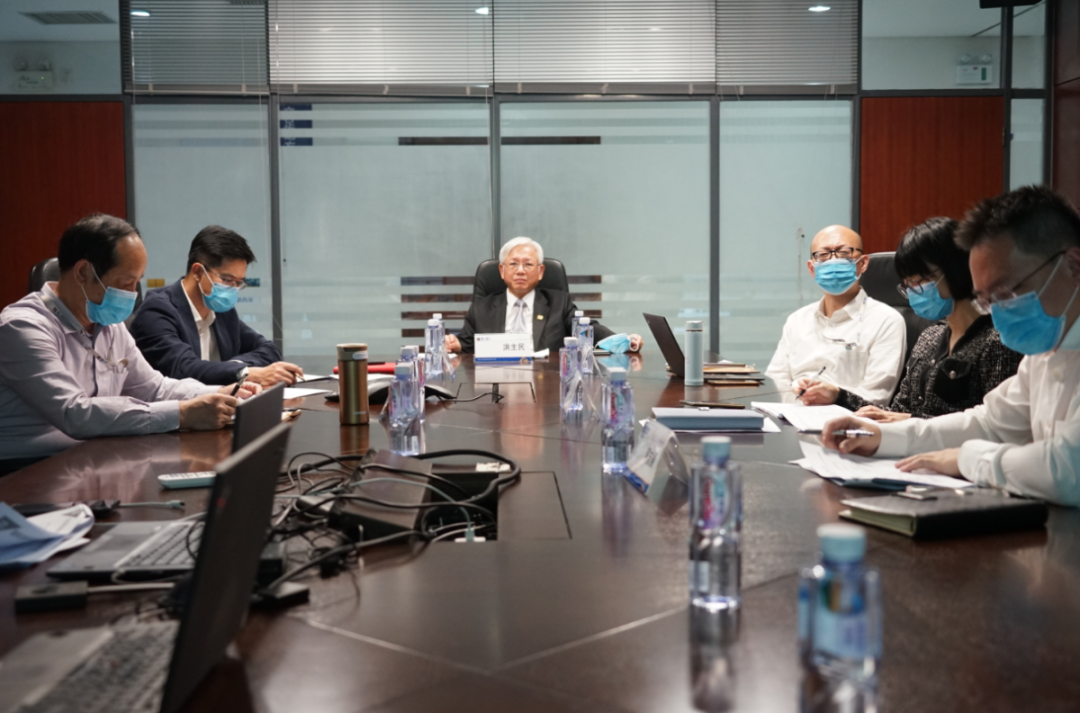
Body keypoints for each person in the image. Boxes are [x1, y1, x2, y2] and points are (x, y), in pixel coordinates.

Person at [823, 186, 1080, 507]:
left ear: (1073, 266)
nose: (998, 313)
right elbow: (990, 423)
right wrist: (880, 437)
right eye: (986, 300)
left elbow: (1068, 470)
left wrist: (965, 458)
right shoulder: (1044, 354)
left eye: (1006, 292)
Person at [0, 214, 257, 473]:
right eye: (126, 283)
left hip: (95, 458)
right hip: (29, 470)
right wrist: (181, 413)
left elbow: (154, 388)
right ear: (83, 272)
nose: (133, 294)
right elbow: (75, 413)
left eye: (137, 281)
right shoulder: (22, 327)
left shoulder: (109, 325)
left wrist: (219, 393)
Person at [806, 217, 1022, 420]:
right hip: (909, 444)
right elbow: (895, 413)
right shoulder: (930, 338)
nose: (914, 292)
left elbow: (995, 424)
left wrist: (910, 421)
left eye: (921, 281)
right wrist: (839, 396)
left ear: (956, 271)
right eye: (908, 284)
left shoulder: (997, 341)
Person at [130, 226, 302, 387]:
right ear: (198, 272)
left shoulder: (222, 311)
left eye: (239, 282)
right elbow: (182, 368)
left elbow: (269, 350)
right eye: (227, 280)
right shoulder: (157, 311)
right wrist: (243, 373)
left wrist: (236, 367)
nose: (232, 289)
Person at [765, 225, 906, 406]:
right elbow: (775, 385)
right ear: (811, 268)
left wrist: (834, 397)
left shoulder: (886, 321)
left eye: (844, 253)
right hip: (791, 416)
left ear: (863, 263)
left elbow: (876, 398)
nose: (833, 261)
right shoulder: (797, 320)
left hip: (848, 420)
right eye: (823, 255)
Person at [445, 237, 644, 354]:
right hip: (495, 384)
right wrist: (455, 343)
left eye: (528, 264)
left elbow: (587, 329)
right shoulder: (482, 307)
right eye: (513, 264)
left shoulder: (559, 303)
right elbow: (468, 343)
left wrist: (622, 341)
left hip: (546, 384)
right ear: (502, 270)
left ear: (540, 271)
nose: (520, 270)